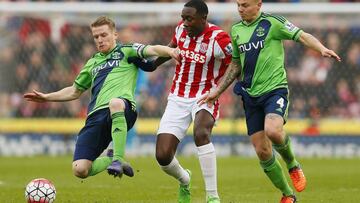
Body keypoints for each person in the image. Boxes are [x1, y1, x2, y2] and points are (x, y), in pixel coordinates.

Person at [198, 0, 341, 202]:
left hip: (275, 90)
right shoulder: (236, 29)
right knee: (262, 151)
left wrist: (321, 48)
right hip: (250, 95)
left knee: (273, 130)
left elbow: (301, 35)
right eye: (238, 5)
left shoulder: (273, 23)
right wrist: (217, 91)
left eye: (245, 5)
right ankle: (288, 195)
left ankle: (292, 163)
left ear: (259, 4)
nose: (240, 9)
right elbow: (236, 64)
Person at [24, 16, 177, 179]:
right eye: (96, 37)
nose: (100, 40)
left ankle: (118, 159)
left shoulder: (127, 51)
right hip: (95, 117)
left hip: (124, 109)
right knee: (80, 169)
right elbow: (74, 91)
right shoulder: (92, 62)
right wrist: (47, 97)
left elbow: (153, 50)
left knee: (115, 103)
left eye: (104, 35)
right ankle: (111, 159)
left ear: (115, 35)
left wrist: (172, 51)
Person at [151, 0, 232, 202]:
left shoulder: (219, 38)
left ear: (203, 18)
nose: (185, 22)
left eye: (189, 18)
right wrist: (151, 65)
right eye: (183, 17)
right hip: (178, 97)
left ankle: (212, 196)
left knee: (201, 133)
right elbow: (172, 48)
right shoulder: (180, 30)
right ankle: (185, 179)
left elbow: (236, 64)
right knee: (162, 156)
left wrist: (219, 90)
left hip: (205, 96)